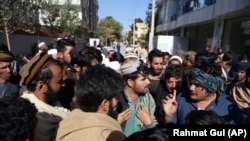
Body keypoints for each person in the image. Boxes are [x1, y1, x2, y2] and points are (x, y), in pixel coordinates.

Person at [162, 58, 244, 125]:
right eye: (190, 83)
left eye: (197, 85)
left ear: (211, 86)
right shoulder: (181, 99)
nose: (191, 88)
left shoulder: (228, 106)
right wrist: (168, 116)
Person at [56, 65, 126, 141]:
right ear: (105, 104)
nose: (119, 100)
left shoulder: (62, 130)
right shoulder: (113, 137)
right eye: (116, 97)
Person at [19, 52, 70, 141]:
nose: (63, 85)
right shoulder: (39, 117)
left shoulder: (51, 101)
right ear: (41, 86)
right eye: (59, 82)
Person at [118, 61, 156, 136]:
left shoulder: (147, 98)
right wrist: (115, 123)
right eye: (143, 79)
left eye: (148, 78)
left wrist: (150, 124)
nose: (148, 82)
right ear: (130, 82)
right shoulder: (117, 102)